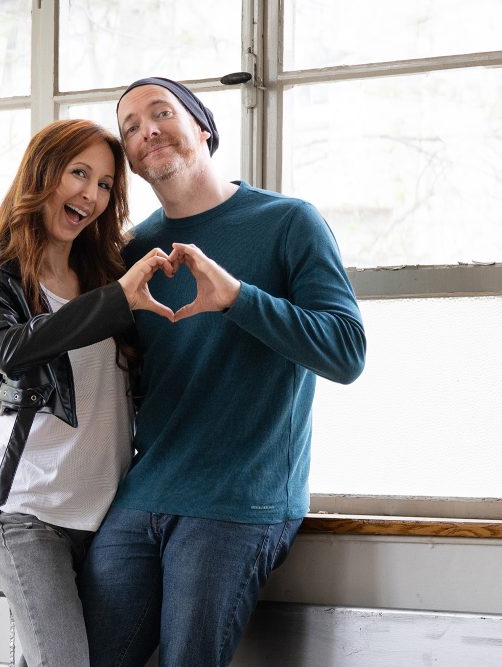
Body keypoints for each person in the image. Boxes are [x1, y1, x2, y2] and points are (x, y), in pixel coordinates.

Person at [77, 77, 368, 666]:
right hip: (143, 491)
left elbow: (346, 352)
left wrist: (238, 297)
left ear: (203, 128)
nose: (145, 130)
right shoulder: (132, 253)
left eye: (160, 113)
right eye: (130, 127)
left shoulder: (289, 222)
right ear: (130, 162)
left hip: (241, 500)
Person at [0, 118, 173, 667]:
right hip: (28, 510)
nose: (90, 195)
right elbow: (9, 348)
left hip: (105, 511)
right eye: (78, 173)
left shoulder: (104, 276)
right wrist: (118, 300)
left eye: (103, 184)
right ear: (42, 174)